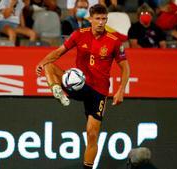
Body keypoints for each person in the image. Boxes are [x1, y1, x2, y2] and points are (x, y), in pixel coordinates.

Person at [36, 4, 130, 169]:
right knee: (49, 66)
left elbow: (125, 68)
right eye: (98, 19)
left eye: (104, 19)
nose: (101, 22)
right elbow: (58, 52)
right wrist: (42, 62)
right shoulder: (79, 34)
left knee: (92, 134)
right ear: (90, 19)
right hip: (79, 85)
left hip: (99, 92)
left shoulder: (115, 41)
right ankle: (58, 91)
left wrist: (121, 90)